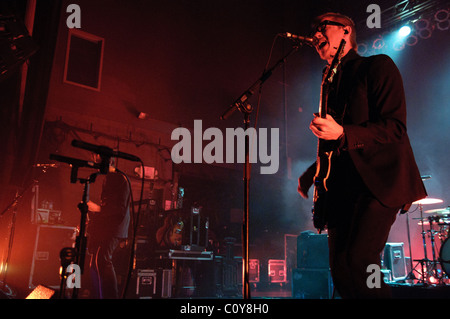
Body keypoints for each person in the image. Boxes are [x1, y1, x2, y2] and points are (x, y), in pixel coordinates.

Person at [297, 12, 427, 298]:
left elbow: (394, 127)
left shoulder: (376, 65)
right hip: (343, 187)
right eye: (314, 31)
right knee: (340, 268)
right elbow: (338, 141)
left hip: (380, 182)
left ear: (346, 31)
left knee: (361, 261)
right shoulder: (329, 83)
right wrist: (313, 171)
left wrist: (342, 132)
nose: (316, 35)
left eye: (323, 28)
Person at [87, 157, 131, 299]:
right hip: (108, 226)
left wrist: (98, 209)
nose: (95, 162)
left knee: (103, 259)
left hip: (114, 227)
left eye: (98, 159)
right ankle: (98, 295)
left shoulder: (119, 178)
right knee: (95, 261)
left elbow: (119, 208)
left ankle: (109, 296)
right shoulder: (110, 178)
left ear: (109, 161)